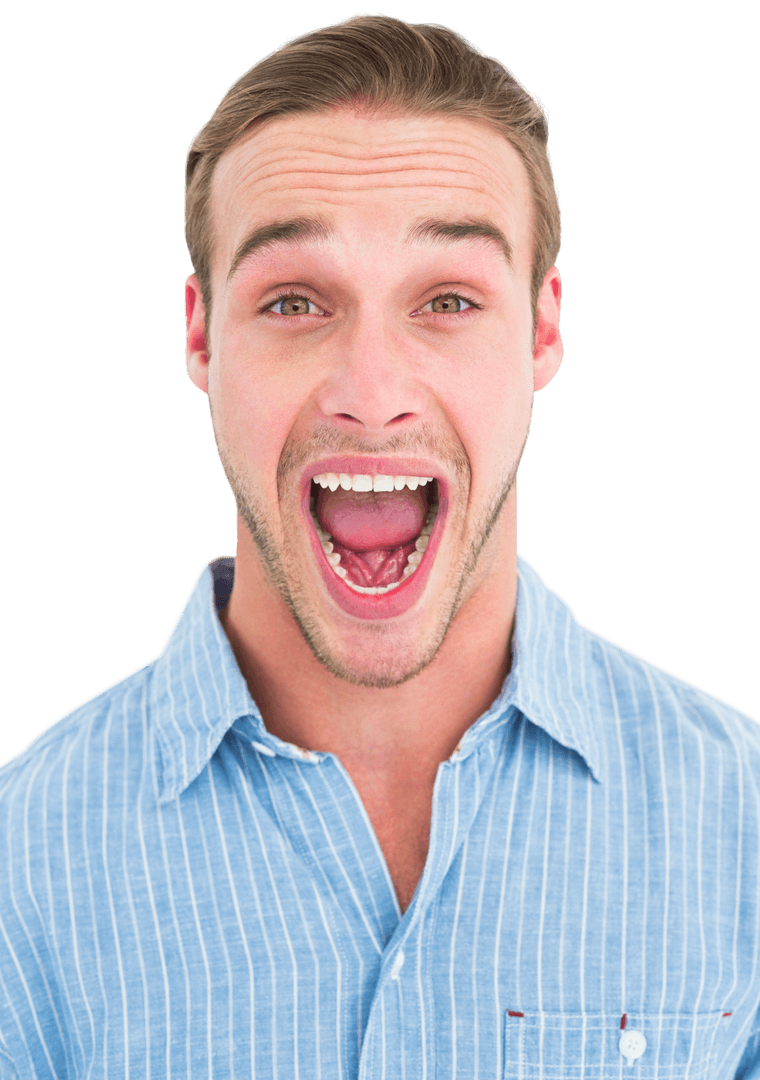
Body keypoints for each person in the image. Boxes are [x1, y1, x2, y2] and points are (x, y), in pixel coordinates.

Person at [1, 13, 758, 1078]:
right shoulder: (20, 868)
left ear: (541, 332)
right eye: (294, 301)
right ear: (202, 336)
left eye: (446, 300)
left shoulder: (743, 823)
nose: (371, 393)